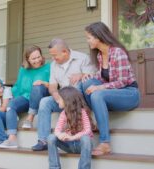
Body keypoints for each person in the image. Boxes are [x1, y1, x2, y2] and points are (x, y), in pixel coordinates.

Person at [82, 21, 140, 155]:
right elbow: (104, 77)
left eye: (89, 38)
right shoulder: (100, 55)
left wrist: (100, 87)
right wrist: (90, 76)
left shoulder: (117, 52)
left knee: (97, 94)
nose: (87, 41)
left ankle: (105, 143)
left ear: (98, 37)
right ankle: (90, 121)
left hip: (129, 93)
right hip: (113, 94)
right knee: (85, 83)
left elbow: (122, 81)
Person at [32, 38, 96, 151]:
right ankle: (43, 140)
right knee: (44, 102)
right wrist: (57, 96)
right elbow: (52, 86)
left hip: (79, 100)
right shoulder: (53, 65)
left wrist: (81, 75)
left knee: (78, 85)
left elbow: (93, 77)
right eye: (51, 55)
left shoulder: (82, 58)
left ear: (65, 52)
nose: (53, 58)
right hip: (62, 99)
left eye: (55, 55)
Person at [0, 45, 50, 148]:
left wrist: (43, 82)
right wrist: (12, 98)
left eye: (38, 57)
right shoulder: (23, 70)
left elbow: (54, 84)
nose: (37, 60)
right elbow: (18, 86)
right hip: (26, 98)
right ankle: (12, 138)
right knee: (11, 105)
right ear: (28, 60)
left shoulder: (49, 67)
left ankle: (30, 118)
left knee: (37, 86)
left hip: (41, 96)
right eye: (33, 58)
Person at [48, 86, 93, 169]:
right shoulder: (63, 114)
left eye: (59, 99)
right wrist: (60, 135)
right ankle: (54, 167)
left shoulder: (83, 112)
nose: (57, 101)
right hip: (69, 145)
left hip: (81, 145)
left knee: (86, 139)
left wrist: (72, 137)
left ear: (67, 100)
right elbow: (57, 130)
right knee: (51, 137)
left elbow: (87, 130)